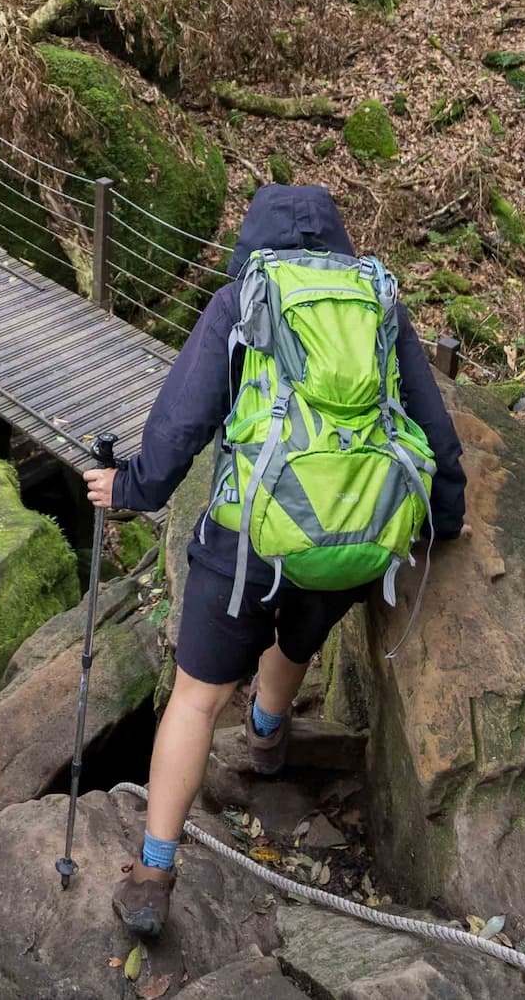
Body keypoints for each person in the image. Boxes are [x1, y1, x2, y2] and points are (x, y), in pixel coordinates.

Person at [85, 185, 467, 940]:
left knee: (194, 697)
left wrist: (127, 486)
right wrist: (442, 517)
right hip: (356, 527)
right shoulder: (379, 300)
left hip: (250, 535)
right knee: (301, 628)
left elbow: (181, 423)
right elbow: (430, 421)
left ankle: (154, 872)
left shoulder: (242, 299)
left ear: (254, 240)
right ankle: (266, 735)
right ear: (339, 242)